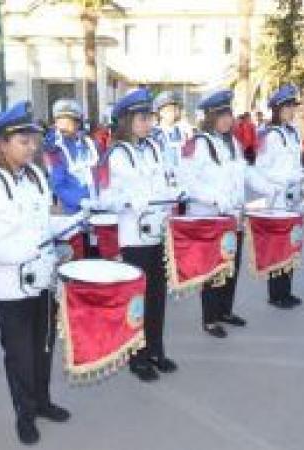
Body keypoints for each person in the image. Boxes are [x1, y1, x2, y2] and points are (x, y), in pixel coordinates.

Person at [0, 101, 71, 445]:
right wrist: (20, 253)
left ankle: (42, 401)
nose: (32, 147)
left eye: (33, 140)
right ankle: (24, 414)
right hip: (7, 287)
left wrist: (71, 224)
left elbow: (42, 223)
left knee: (44, 346)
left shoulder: (36, 175)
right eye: (24, 141)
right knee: (20, 352)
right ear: (2, 144)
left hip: (42, 278)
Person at [99, 88, 178, 381]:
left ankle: (156, 350)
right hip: (134, 237)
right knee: (138, 300)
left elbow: (166, 180)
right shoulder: (115, 154)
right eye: (141, 118)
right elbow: (105, 198)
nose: (148, 123)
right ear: (126, 120)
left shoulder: (156, 148)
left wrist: (173, 193)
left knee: (158, 296)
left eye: (149, 117)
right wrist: (130, 201)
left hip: (158, 233)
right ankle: (138, 357)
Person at [182, 89, 271, 337]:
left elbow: (245, 172)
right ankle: (209, 318)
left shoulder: (233, 142)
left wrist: (269, 186)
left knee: (232, 264)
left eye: (228, 114)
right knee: (213, 268)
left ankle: (225, 310)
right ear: (210, 117)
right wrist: (214, 198)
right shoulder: (197, 144)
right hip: (210, 216)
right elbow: (187, 182)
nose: (226, 120)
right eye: (221, 115)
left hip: (234, 216)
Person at [253, 84, 304, 309]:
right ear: (276, 109)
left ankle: (287, 290)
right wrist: (283, 182)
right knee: (278, 246)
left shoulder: (292, 132)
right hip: (278, 199)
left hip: (295, 198)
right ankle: (276, 294)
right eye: (288, 107)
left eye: (293, 107)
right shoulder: (269, 135)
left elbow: (295, 164)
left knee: (292, 244)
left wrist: (303, 176)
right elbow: (260, 168)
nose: (292, 111)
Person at [151, 90, 191, 187]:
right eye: (169, 110)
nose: (173, 113)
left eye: (175, 109)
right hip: (162, 183)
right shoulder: (154, 135)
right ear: (160, 112)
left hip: (182, 181)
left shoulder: (182, 132)